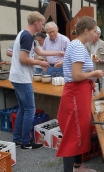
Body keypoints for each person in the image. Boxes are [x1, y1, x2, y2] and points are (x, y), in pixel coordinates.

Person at [56, 16, 104, 172]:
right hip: (76, 93)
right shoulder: (77, 46)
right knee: (73, 133)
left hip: (79, 93)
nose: (95, 34)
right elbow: (76, 75)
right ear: (86, 31)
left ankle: (77, 167)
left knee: (81, 130)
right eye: (94, 31)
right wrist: (95, 72)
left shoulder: (76, 46)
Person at [9, 11, 64, 150]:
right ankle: (26, 142)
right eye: (42, 23)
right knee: (30, 110)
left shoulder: (25, 34)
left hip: (16, 77)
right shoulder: (27, 36)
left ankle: (17, 139)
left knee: (23, 109)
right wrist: (40, 63)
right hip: (22, 78)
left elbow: (40, 52)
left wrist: (58, 52)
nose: (43, 27)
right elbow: (23, 59)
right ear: (36, 23)